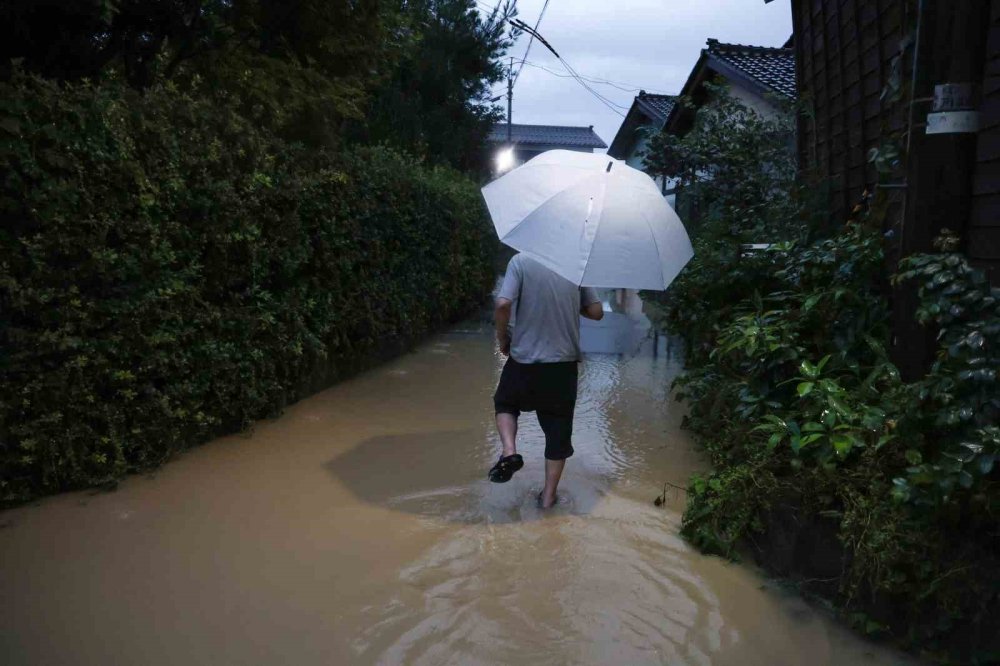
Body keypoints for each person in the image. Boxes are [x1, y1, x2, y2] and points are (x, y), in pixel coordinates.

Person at [489, 253, 604, 508]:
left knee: (506, 403)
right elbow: (597, 312)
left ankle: (509, 452)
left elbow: (503, 305)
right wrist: (570, 302)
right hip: (563, 366)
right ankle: (548, 498)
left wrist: (502, 339)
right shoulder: (577, 264)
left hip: (524, 360)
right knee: (558, 432)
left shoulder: (519, 261)